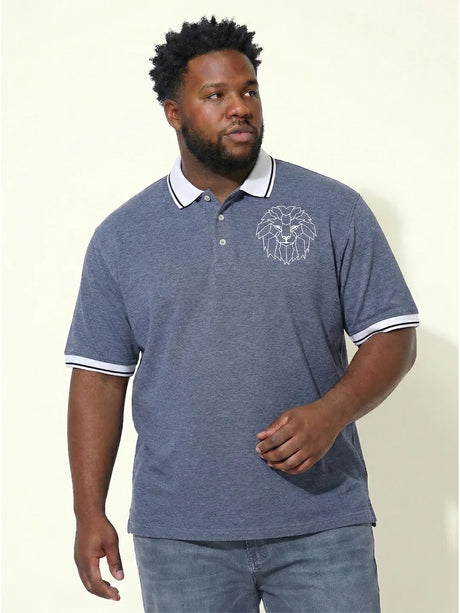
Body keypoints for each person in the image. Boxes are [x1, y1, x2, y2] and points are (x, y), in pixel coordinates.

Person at [66, 16, 418, 613]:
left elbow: (394, 335)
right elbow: (98, 378)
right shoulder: (122, 237)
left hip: (321, 525)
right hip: (181, 535)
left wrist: (331, 413)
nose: (240, 108)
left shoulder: (332, 208)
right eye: (216, 95)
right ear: (173, 113)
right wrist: (88, 512)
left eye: (249, 90)